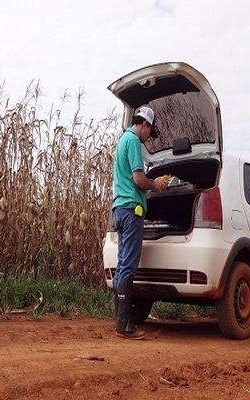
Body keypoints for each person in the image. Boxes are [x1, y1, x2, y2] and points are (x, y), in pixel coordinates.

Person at [112, 106, 167, 340]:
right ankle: (125, 325)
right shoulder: (133, 140)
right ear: (144, 124)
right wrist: (155, 184)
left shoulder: (122, 140)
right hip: (132, 210)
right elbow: (138, 178)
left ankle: (120, 319)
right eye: (150, 132)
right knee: (128, 266)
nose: (148, 138)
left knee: (121, 263)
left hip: (119, 209)